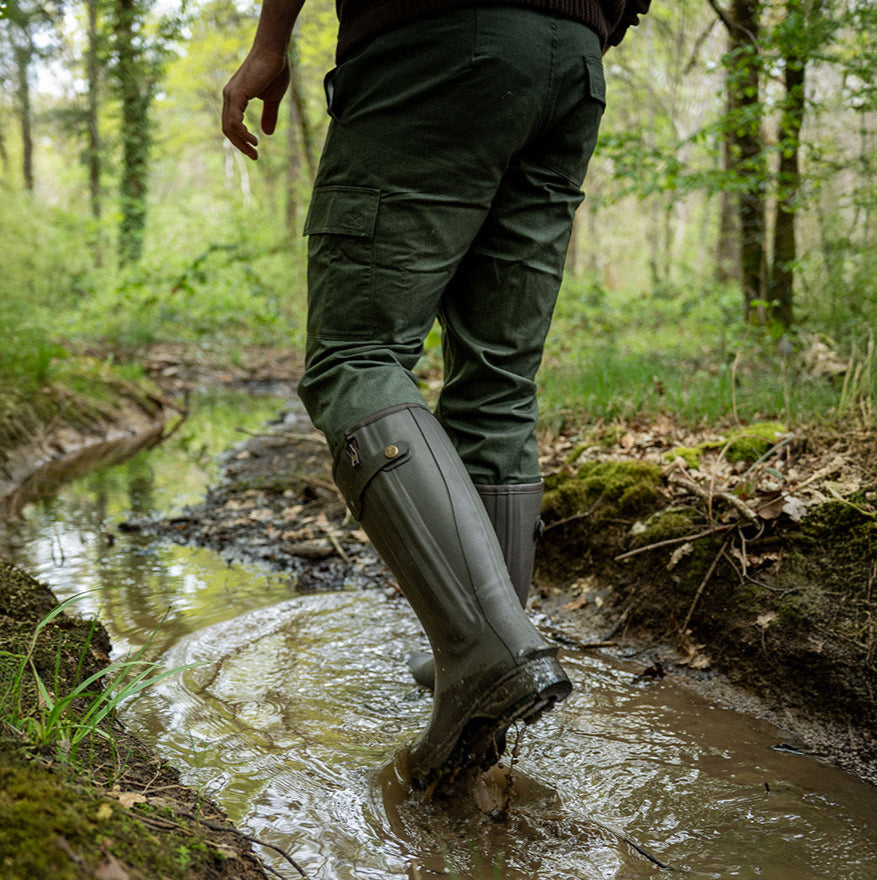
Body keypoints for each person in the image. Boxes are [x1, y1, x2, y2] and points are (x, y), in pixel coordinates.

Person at [222, 0, 650, 790]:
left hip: (432, 39)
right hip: (571, 63)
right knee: (497, 379)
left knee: (355, 355)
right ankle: (487, 669)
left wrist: (267, 44)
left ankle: (483, 654)